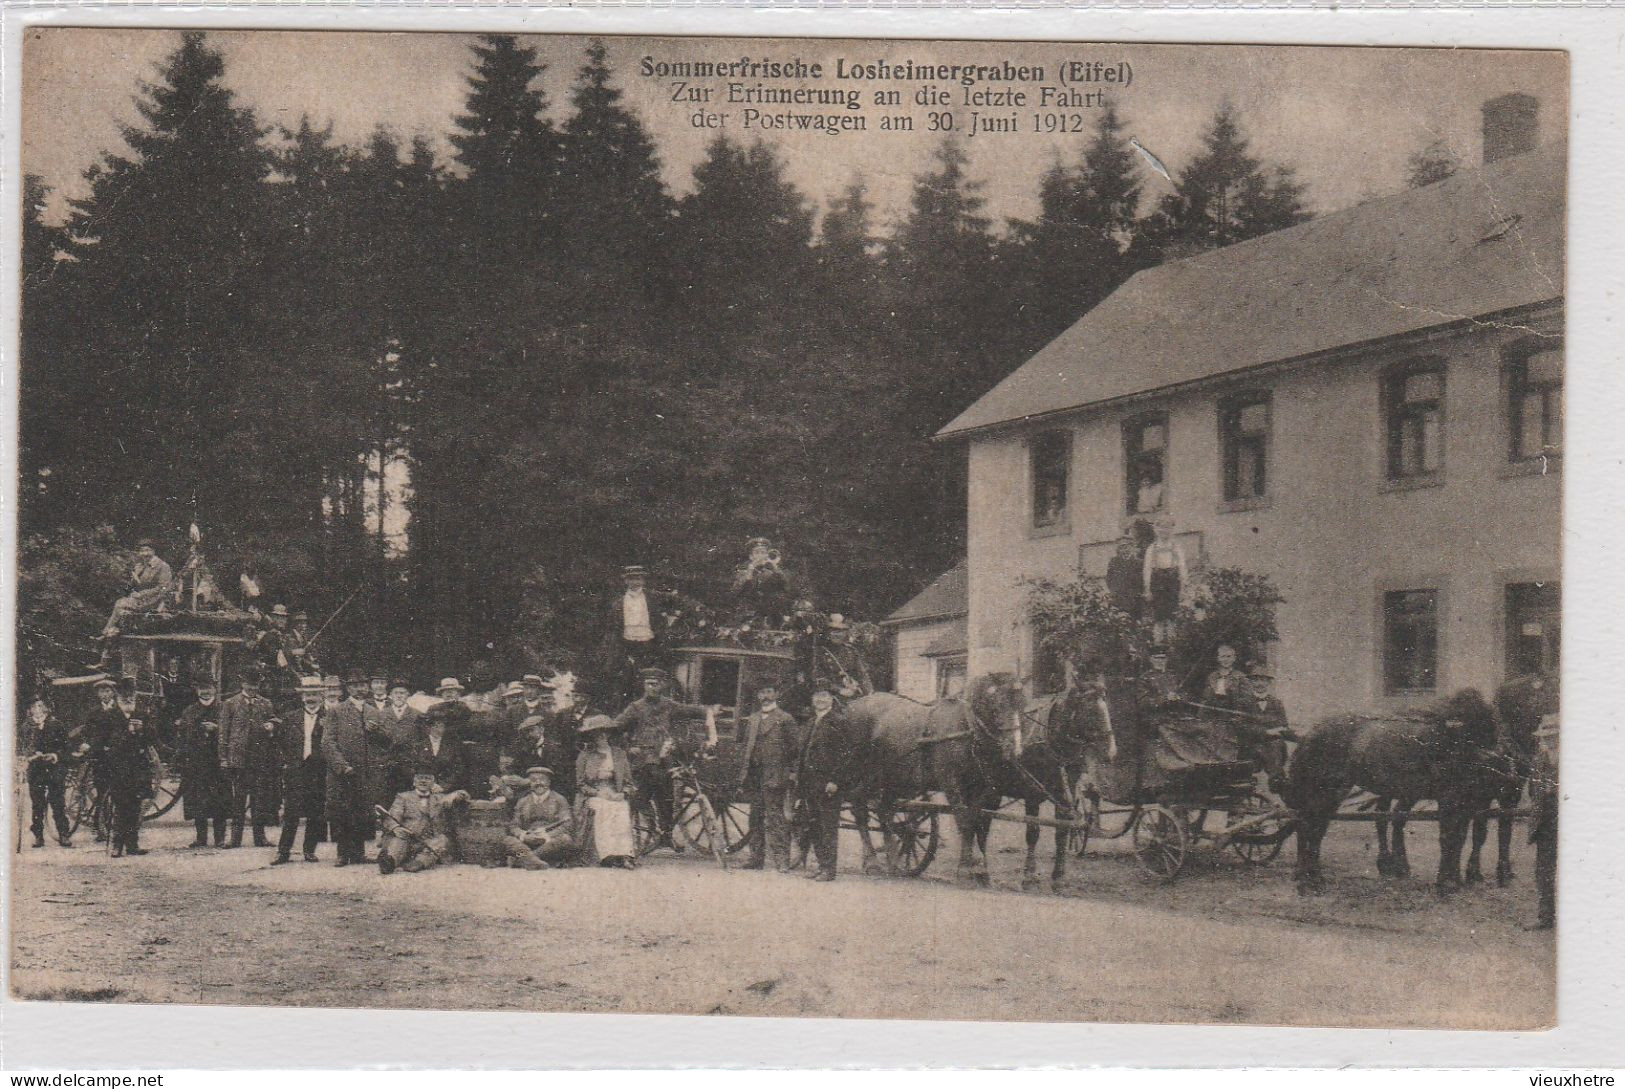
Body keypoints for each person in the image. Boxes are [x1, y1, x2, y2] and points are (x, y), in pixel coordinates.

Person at [614, 668, 716, 850]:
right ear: (644, 685)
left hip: (664, 762)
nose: (652, 687)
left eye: (656, 683)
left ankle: (666, 835)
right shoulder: (635, 708)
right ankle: (627, 843)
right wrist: (629, 748)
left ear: (662, 685)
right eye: (649, 684)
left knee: (667, 800)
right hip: (642, 763)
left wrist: (709, 711)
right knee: (638, 800)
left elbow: (690, 711)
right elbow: (616, 728)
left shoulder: (669, 705)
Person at [799, 688, 865, 881]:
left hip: (828, 784)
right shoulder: (811, 722)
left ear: (832, 700)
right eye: (817, 696)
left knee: (828, 826)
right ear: (812, 699)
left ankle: (829, 869)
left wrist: (835, 780)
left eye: (825, 696)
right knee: (814, 825)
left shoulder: (839, 722)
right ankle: (821, 865)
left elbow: (846, 755)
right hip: (810, 782)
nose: (820, 699)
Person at [739, 684, 803, 872]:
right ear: (758, 696)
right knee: (755, 817)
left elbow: (795, 749)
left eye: (768, 692)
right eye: (762, 692)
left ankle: (782, 859)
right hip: (754, 775)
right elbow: (746, 747)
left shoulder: (785, 719)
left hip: (774, 775)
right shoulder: (753, 719)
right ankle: (756, 858)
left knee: (775, 818)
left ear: (776, 694)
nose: (765, 696)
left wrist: (792, 772)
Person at [96, 677, 159, 858]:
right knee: (121, 806)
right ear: (119, 698)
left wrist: (143, 730)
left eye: (131, 697)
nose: (128, 700)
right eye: (125, 697)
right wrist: (128, 733)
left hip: (139, 768)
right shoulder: (109, 717)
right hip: (118, 768)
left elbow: (152, 740)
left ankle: (132, 844)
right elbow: (102, 742)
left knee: (136, 806)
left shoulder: (142, 715)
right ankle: (117, 845)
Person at [322, 670, 378, 867]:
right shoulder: (336, 711)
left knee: (362, 811)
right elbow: (328, 742)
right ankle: (342, 853)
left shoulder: (372, 711)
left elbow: (383, 742)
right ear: (348, 689)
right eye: (355, 685)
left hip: (365, 771)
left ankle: (359, 853)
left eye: (363, 684)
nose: (360, 689)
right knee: (342, 812)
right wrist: (342, 766)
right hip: (344, 772)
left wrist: (377, 732)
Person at [220, 667, 281, 848]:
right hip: (238, 760)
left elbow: (275, 721)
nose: (252, 688)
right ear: (242, 684)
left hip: (260, 759)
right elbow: (223, 733)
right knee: (238, 800)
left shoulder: (266, 704)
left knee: (259, 800)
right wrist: (223, 758)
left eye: (255, 684)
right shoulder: (230, 704)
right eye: (249, 684)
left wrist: (272, 724)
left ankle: (259, 837)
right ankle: (235, 838)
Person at [273, 676, 328, 864]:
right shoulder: (291, 717)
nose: (311, 698)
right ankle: (283, 851)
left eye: (314, 694)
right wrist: (286, 762)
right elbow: (280, 742)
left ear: (321, 696)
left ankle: (309, 850)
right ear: (302, 696)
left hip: (319, 770)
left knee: (315, 812)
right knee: (291, 812)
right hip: (296, 769)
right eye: (307, 694)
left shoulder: (330, 716)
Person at [378, 765, 467, 875]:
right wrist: (396, 828)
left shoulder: (440, 798)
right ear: (414, 782)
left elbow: (464, 795)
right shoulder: (403, 797)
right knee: (398, 841)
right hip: (408, 837)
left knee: (442, 840)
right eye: (420, 778)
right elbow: (391, 818)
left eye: (427, 778)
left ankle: (419, 863)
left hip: (429, 841)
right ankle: (389, 862)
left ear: (433, 783)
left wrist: (455, 794)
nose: (423, 781)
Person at [574, 715, 636, 868]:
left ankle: (625, 854)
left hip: (615, 792)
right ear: (592, 736)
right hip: (593, 794)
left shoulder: (619, 754)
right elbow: (580, 784)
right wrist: (597, 792)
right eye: (597, 733)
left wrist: (623, 793)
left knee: (621, 807)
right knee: (603, 807)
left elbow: (629, 782)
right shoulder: (585, 755)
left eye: (604, 732)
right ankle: (606, 854)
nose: (601, 736)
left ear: (609, 734)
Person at [175, 679, 230, 848]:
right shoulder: (189, 710)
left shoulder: (223, 709)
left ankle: (220, 837)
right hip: (196, 762)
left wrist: (216, 729)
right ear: (197, 690)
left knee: (219, 800)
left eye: (208, 688)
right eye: (202, 688)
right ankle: (201, 838)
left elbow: (231, 732)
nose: (205, 692)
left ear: (215, 689)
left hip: (217, 761)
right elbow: (184, 735)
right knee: (199, 800)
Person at [605, 565, 663, 704]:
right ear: (626, 581)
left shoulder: (653, 597)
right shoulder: (618, 602)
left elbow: (677, 601)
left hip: (648, 642)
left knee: (646, 677)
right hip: (626, 643)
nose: (635, 582)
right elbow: (612, 627)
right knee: (624, 679)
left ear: (643, 580)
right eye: (631, 579)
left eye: (638, 578)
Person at [22, 697, 73, 849]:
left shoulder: (56, 725)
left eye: (40, 705)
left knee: (57, 801)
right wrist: (30, 754)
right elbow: (23, 746)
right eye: (34, 706)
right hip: (36, 769)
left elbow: (66, 748)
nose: (37, 709)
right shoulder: (26, 726)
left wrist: (55, 755)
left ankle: (63, 834)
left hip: (54, 769)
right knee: (37, 803)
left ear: (46, 709)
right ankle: (38, 836)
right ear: (30, 710)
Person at [504, 766, 577, 870]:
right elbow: (514, 825)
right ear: (530, 784)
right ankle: (534, 861)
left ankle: (524, 859)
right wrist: (524, 836)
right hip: (528, 842)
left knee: (565, 839)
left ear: (549, 782)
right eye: (533, 780)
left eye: (542, 779)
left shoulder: (559, 800)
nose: (538, 783)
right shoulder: (523, 801)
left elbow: (567, 825)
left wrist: (546, 836)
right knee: (508, 840)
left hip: (549, 843)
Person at [101, 539, 174, 641]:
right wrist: (131, 588)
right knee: (122, 609)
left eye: (147, 550)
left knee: (120, 604)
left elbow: (164, 588)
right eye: (142, 551)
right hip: (139, 600)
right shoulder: (139, 566)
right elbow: (133, 585)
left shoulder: (163, 566)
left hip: (155, 601)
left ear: (153, 551)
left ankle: (106, 633)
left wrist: (142, 594)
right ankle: (113, 632)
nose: (145, 554)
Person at [1526, 711, 1559, 930]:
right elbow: (1532, 789)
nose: (1548, 740)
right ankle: (1546, 917)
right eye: (1545, 737)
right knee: (1544, 871)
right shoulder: (1539, 759)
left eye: (1553, 736)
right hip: (1545, 824)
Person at [1237, 664, 1291, 796]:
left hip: (1273, 747)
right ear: (1250, 682)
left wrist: (1282, 730)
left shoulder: (1276, 703)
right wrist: (1266, 732)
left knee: (1276, 747)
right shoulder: (1243, 702)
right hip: (1251, 746)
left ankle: (1277, 790)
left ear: (1268, 682)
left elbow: (1283, 724)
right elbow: (1241, 726)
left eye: (1263, 680)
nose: (1259, 683)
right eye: (1256, 680)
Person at [1141, 518, 1187, 647]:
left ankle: (1173, 646)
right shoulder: (1151, 548)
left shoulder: (1176, 547)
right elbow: (1147, 569)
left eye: (1167, 528)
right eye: (1160, 527)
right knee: (1159, 618)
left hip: (1173, 583)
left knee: (1173, 617)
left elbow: (1182, 568)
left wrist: (1183, 589)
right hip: (1158, 583)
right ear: (1156, 530)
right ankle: (1158, 646)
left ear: (1171, 530)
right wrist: (1147, 589)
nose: (1164, 531)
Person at [814, 615, 873, 702]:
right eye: (833, 631)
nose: (837, 634)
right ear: (828, 633)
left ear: (845, 633)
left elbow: (862, 674)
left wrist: (870, 693)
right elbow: (818, 678)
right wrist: (839, 690)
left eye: (841, 631)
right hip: (828, 697)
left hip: (852, 694)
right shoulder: (820, 652)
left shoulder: (851, 651)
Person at [378, 678, 421, 794]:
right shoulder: (381, 714)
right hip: (387, 764)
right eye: (396, 693)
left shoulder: (417, 715)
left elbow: (422, 739)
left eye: (402, 693)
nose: (399, 696)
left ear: (408, 695)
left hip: (409, 764)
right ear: (390, 695)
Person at [1201, 644, 1249, 716]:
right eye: (1223, 656)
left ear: (1234, 658)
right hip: (1214, 715)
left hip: (1234, 715)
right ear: (1218, 658)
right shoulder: (1212, 676)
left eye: (1229, 656)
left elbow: (1246, 699)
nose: (1226, 659)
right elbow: (1206, 699)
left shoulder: (1240, 676)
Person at [1105, 534, 1143, 618]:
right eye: (1121, 547)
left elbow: (1142, 581)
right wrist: (1114, 591)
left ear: (1132, 547)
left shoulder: (1139, 563)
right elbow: (1109, 579)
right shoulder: (1114, 562)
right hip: (1118, 599)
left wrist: (1137, 594)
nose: (1124, 550)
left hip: (1134, 601)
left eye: (1126, 546)